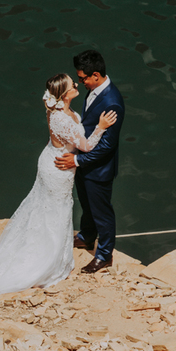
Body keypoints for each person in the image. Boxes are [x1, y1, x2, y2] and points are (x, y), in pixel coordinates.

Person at [0, 73, 118, 302]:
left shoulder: (60, 111)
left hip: (52, 160)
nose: (76, 84)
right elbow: (85, 146)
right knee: (57, 210)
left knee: (47, 209)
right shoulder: (62, 119)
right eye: (71, 85)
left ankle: (51, 250)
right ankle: (47, 261)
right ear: (64, 95)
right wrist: (101, 127)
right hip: (58, 169)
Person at [54, 49, 125, 273]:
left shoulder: (112, 102)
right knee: (87, 205)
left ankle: (104, 255)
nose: (80, 82)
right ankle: (86, 236)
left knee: (102, 211)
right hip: (85, 162)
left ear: (96, 75)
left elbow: (107, 146)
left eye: (83, 78)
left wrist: (77, 160)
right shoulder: (94, 90)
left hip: (98, 168)